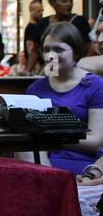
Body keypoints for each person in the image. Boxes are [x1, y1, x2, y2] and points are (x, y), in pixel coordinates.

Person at [25, 22, 103, 174]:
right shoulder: (35, 89)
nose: (50, 56)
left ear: (76, 52)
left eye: (59, 49)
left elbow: (95, 141)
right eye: (46, 50)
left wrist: (52, 139)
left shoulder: (95, 86)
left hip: (83, 163)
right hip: (43, 161)